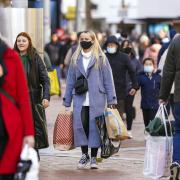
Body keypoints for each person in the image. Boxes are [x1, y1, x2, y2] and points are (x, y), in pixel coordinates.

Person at [63, 31, 117, 169]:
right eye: (82, 38)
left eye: (87, 39)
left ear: (93, 40)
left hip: (97, 98)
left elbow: (108, 80)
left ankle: (93, 157)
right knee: (81, 127)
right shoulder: (75, 58)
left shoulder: (101, 58)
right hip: (80, 99)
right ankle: (84, 155)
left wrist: (112, 100)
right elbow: (70, 81)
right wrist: (67, 101)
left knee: (95, 128)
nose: (84, 40)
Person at [0, 38, 35, 179]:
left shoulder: (12, 58)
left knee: (7, 172)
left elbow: (23, 97)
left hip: (8, 128)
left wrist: (29, 133)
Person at [14, 32, 50, 158]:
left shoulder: (35, 58)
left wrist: (46, 97)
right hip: (14, 101)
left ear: (29, 42)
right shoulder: (12, 58)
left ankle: (34, 156)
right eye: (19, 41)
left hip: (32, 100)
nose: (21, 43)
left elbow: (45, 79)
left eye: (24, 40)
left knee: (33, 129)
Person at [159, 34, 180, 180]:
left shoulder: (177, 41)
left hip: (179, 96)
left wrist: (163, 95)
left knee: (179, 130)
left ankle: (177, 162)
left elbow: (168, 71)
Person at [104, 36, 137, 119]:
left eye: (113, 45)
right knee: (106, 117)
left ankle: (118, 131)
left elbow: (132, 72)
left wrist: (134, 86)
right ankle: (105, 131)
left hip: (120, 91)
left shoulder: (124, 57)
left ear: (117, 46)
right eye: (109, 45)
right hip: (104, 92)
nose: (110, 47)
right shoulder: (102, 57)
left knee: (118, 117)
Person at [121, 40, 143, 138]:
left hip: (131, 88)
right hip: (119, 88)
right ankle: (119, 129)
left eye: (129, 45)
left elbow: (140, 73)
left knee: (129, 108)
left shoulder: (135, 61)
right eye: (125, 46)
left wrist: (136, 87)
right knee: (120, 110)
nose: (127, 47)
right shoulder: (119, 58)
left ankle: (129, 130)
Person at [138, 57, 161, 127]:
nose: (148, 66)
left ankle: (153, 137)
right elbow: (136, 86)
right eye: (146, 64)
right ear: (143, 66)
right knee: (146, 123)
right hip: (145, 104)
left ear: (154, 66)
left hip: (155, 105)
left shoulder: (158, 77)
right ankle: (147, 136)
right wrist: (133, 89)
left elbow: (162, 88)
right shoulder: (141, 77)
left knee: (153, 123)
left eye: (150, 64)